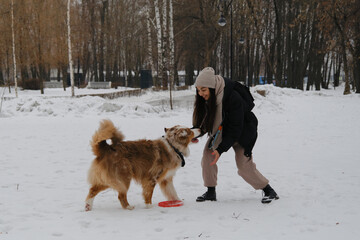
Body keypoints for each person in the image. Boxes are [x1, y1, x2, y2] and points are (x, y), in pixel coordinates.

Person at [192, 67, 279, 204]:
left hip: (242, 131)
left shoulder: (232, 97)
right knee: (208, 156)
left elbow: (235, 128)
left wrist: (220, 150)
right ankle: (210, 192)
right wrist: (195, 133)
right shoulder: (206, 98)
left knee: (243, 166)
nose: (200, 93)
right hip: (221, 131)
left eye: (203, 90)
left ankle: (268, 190)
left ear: (212, 87)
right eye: (198, 90)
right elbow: (204, 121)